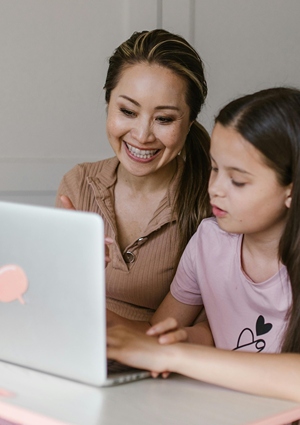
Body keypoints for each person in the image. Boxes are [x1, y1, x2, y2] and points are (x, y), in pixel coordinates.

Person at [107, 87, 300, 403]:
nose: (216, 189)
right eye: (214, 169)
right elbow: (162, 330)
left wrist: (175, 357)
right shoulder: (209, 243)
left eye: (237, 180)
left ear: (292, 189)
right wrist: (189, 340)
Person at [56, 29, 211, 324]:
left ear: (190, 123)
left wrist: (105, 325)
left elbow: (205, 335)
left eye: (164, 119)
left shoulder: (211, 202)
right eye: (127, 111)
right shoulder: (78, 184)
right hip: (77, 346)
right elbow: (58, 300)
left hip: (159, 362)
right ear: (108, 105)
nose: (142, 136)